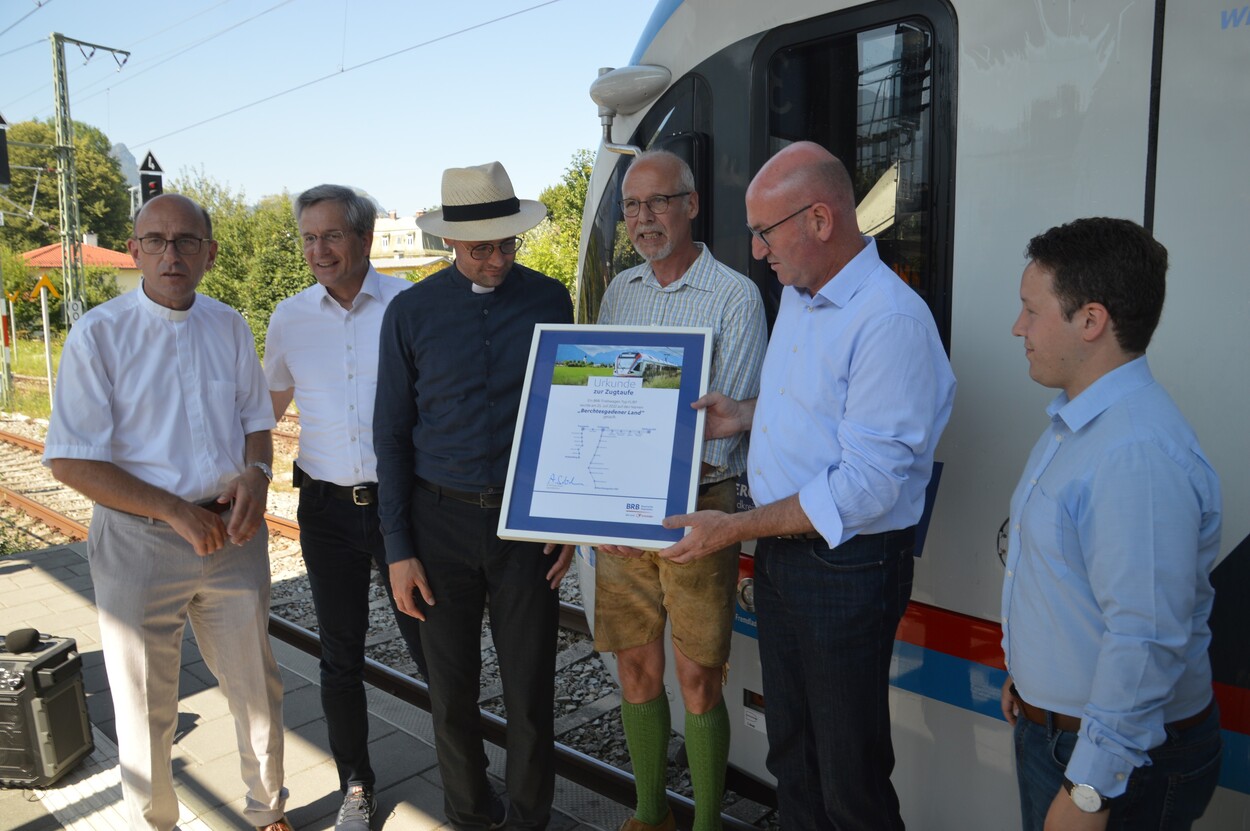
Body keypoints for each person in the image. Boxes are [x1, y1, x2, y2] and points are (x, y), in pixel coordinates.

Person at [659, 141, 956, 830]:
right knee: (792, 751)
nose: (757, 251)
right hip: (788, 553)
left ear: (820, 219)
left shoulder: (888, 320)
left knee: (847, 770)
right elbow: (818, 414)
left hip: (846, 565)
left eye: (764, 232)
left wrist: (732, 528)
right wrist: (744, 413)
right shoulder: (802, 291)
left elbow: (865, 485)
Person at [43, 193, 291, 831]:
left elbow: (255, 424)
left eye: (186, 241)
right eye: (154, 240)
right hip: (139, 541)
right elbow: (71, 461)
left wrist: (257, 475)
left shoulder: (229, 324)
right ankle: (156, 824)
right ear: (134, 251)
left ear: (209, 252)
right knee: (144, 704)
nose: (170, 254)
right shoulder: (99, 334)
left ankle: (268, 814)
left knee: (256, 689)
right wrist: (175, 512)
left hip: (232, 534)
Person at [999, 217, 1222, 831]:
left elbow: (1146, 638)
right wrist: (1029, 680)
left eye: (1030, 309)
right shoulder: (1082, 422)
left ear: (1090, 321)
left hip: (1112, 766)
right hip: (1066, 738)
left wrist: (1091, 788)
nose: (1019, 327)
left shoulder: (1135, 454)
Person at [374, 161, 574, 831]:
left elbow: (566, 417)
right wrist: (398, 549)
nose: (496, 258)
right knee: (451, 695)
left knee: (530, 693)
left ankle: (529, 819)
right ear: (450, 244)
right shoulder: (409, 313)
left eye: (507, 243)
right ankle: (467, 813)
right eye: (481, 246)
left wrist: (565, 518)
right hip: (437, 526)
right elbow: (391, 434)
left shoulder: (551, 301)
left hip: (524, 528)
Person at [592, 150, 766, 831]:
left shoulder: (735, 296)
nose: (644, 219)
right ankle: (648, 813)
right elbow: (601, 405)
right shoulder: (619, 294)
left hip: (701, 507)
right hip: (624, 507)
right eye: (633, 207)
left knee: (698, 677)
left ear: (692, 205)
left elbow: (724, 437)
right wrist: (601, 498)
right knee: (635, 664)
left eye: (659, 202)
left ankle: (704, 825)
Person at [264, 184, 429, 831]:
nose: (318, 249)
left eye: (331, 235)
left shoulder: (409, 306)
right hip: (327, 513)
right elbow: (264, 413)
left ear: (364, 238)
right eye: (308, 237)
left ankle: (467, 778)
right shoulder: (289, 317)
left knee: (431, 647)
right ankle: (355, 787)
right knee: (340, 656)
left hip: (403, 511)